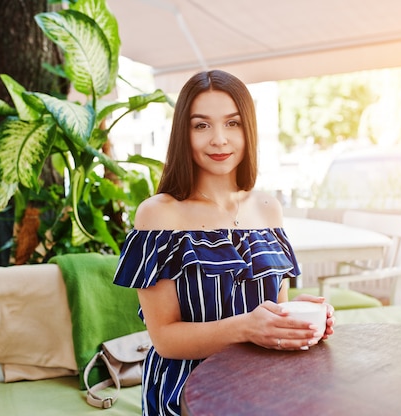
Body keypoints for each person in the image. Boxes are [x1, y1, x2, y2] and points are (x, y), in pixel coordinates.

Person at [113, 69, 335, 416]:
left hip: (265, 384)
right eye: (201, 125)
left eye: (232, 124)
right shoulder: (159, 215)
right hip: (188, 392)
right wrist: (248, 327)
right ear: (183, 135)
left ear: (248, 131)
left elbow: (273, 310)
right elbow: (165, 340)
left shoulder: (267, 208)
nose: (219, 139)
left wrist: (295, 320)